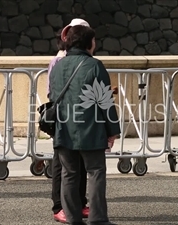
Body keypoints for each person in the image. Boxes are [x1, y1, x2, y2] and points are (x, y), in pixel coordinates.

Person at [49, 25, 120, 225]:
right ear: (88, 42)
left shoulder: (58, 66)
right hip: (91, 128)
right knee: (96, 172)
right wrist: (112, 131)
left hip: (63, 128)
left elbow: (54, 97)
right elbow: (105, 101)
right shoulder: (94, 65)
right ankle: (98, 218)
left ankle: (72, 218)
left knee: (69, 174)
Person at [47, 19, 91, 224]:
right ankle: (59, 206)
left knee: (79, 163)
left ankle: (79, 203)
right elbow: (52, 92)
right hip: (65, 117)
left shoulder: (86, 59)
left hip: (79, 118)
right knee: (61, 163)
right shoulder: (59, 61)